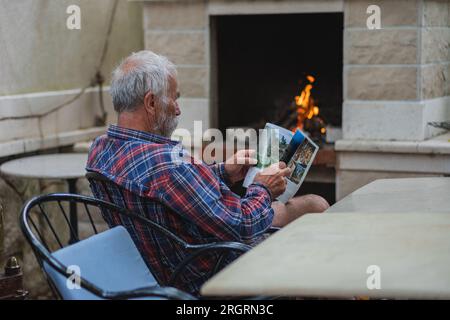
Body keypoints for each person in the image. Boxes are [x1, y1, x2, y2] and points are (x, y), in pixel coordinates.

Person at [86, 50, 329, 295]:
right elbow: (243, 225)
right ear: (150, 103)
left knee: (305, 208)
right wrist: (264, 188)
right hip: (209, 269)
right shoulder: (169, 165)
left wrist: (223, 172)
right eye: (174, 98)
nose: (178, 110)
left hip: (157, 268)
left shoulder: (99, 150)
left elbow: (170, 192)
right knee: (314, 205)